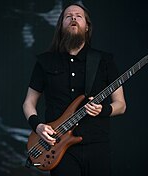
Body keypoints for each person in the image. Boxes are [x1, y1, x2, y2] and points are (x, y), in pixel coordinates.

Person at [23, 2, 126, 176]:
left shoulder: (104, 61)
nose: (73, 19)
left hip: (97, 145)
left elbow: (121, 105)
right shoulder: (45, 61)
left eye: (78, 16)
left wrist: (103, 109)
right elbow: (28, 103)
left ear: (87, 27)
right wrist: (38, 126)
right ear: (61, 26)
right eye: (68, 16)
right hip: (59, 147)